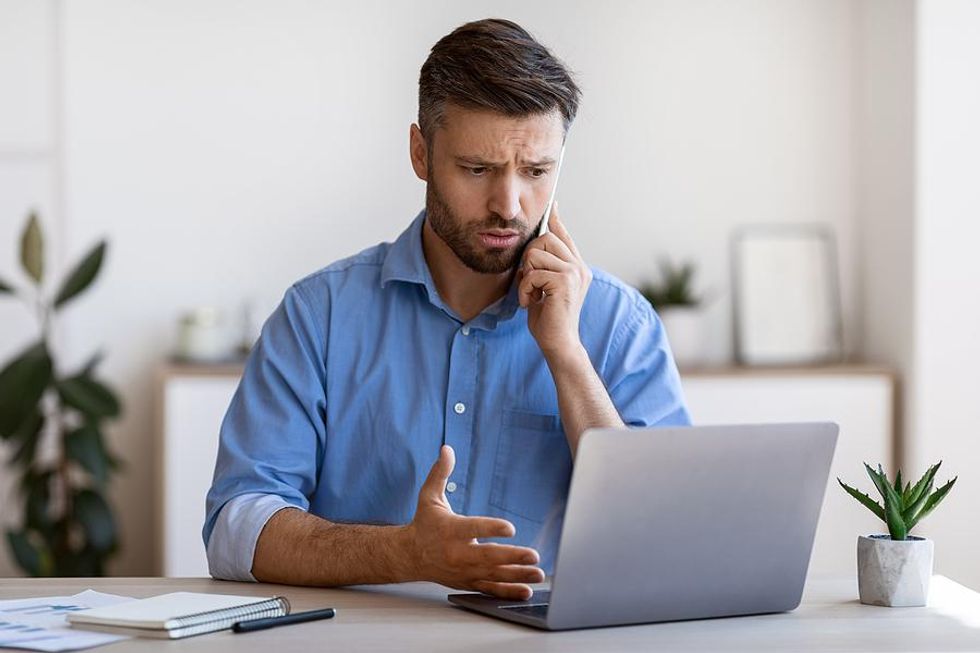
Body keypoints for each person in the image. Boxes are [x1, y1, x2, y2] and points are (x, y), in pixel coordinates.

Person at [204, 18, 689, 601]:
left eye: (536, 172)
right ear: (420, 153)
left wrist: (566, 356)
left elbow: (664, 538)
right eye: (477, 169)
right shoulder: (318, 315)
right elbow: (236, 529)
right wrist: (405, 554)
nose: (509, 205)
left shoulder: (621, 325)